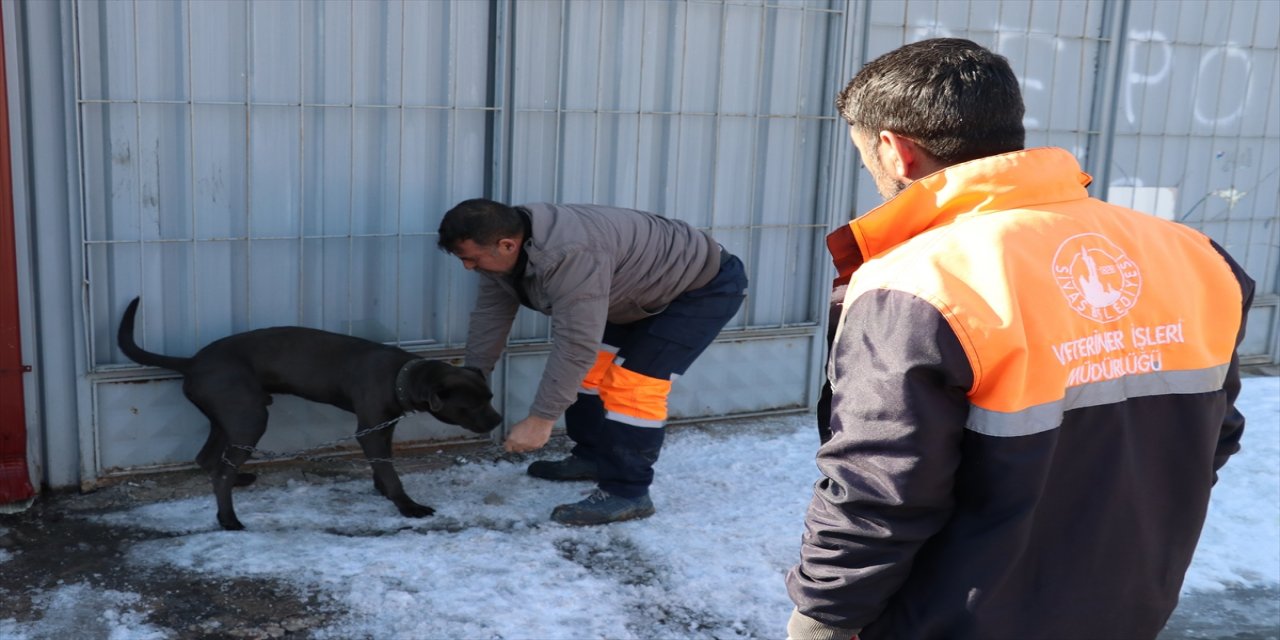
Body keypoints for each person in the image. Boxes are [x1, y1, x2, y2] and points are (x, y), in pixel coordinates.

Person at [786, 38, 1255, 640]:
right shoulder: (1195, 256)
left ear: (896, 149)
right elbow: (1211, 437)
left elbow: (881, 487)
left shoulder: (919, 282)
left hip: (960, 618)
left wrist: (823, 617)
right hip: (1131, 602)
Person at [438, 198, 747, 525]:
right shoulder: (503, 252)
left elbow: (575, 345)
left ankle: (628, 493)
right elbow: (491, 316)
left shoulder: (571, 254)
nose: (468, 267)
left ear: (507, 245)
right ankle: (594, 456)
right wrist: (473, 376)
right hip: (634, 290)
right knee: (590, 370)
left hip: (699, 288)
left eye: (471, 259)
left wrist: (541, 419)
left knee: (634, 385)